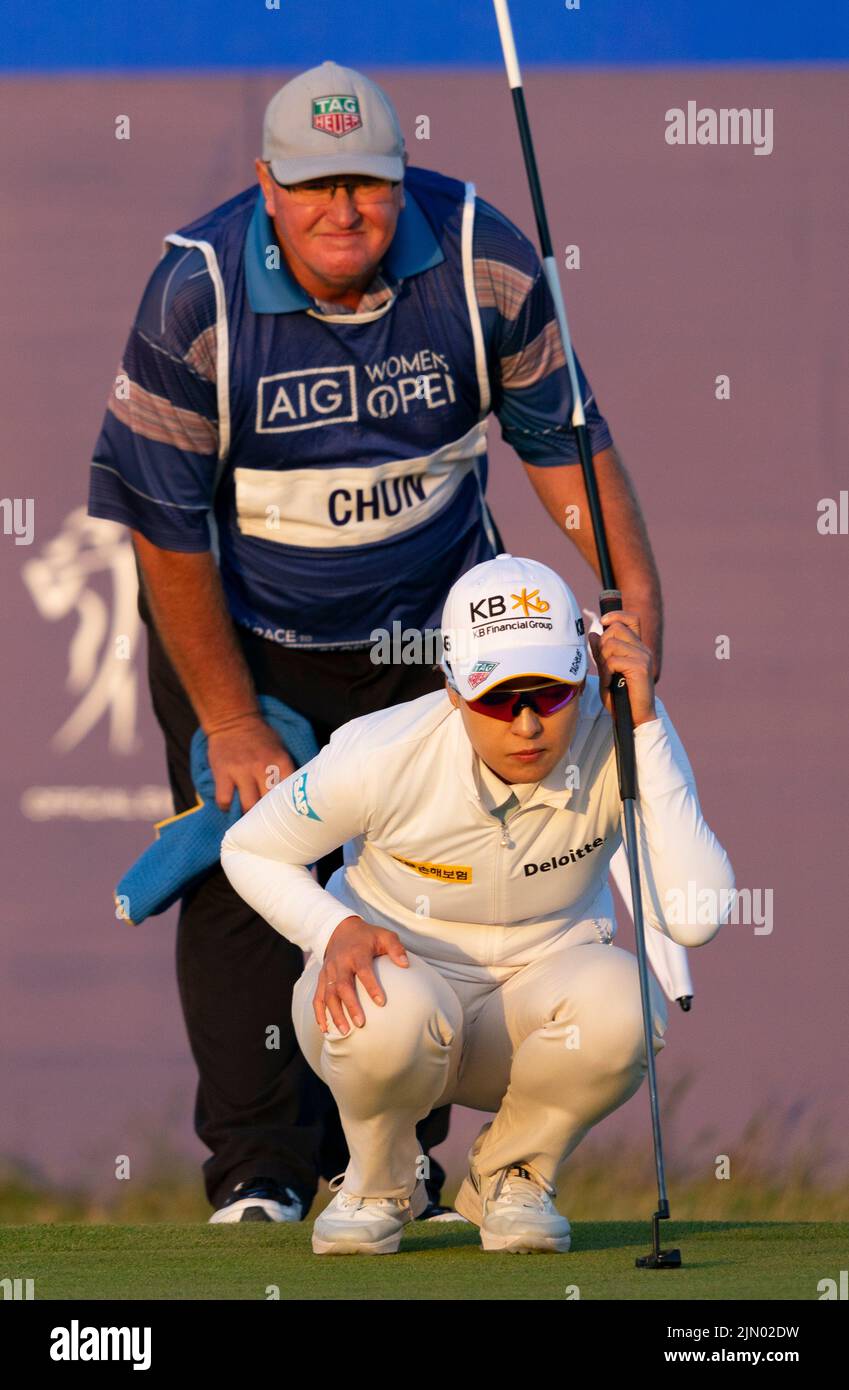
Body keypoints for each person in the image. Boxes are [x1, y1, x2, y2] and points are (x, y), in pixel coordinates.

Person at [86, 60, 664, 1225]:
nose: (343, 209)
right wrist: (234, 717)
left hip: (438, 634)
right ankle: (260, 1173)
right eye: (314, 186)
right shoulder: (192, 295)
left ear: (403, 181)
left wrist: (633, 595)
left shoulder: (477, 254)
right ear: (265, 186)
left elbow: (562, 447)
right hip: (249, 635)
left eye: (369, 184)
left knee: (431, 875)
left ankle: (400, 1160)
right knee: (245, 868)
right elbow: (165, 535)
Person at [220, 554, 734, 1255]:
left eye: (548, 694)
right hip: (398, 1006)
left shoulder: (617, 731)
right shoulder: (382, 752)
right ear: (454, 689)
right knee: (382, 1012)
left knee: (623, 1005)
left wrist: (645, 722)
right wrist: (331, 926)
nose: (525, 725)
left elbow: (696, 913)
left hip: (527, 1019)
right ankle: (377, 1181)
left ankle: (512, 1178)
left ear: (584, 674)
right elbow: (249, 848)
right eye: (497, 698)